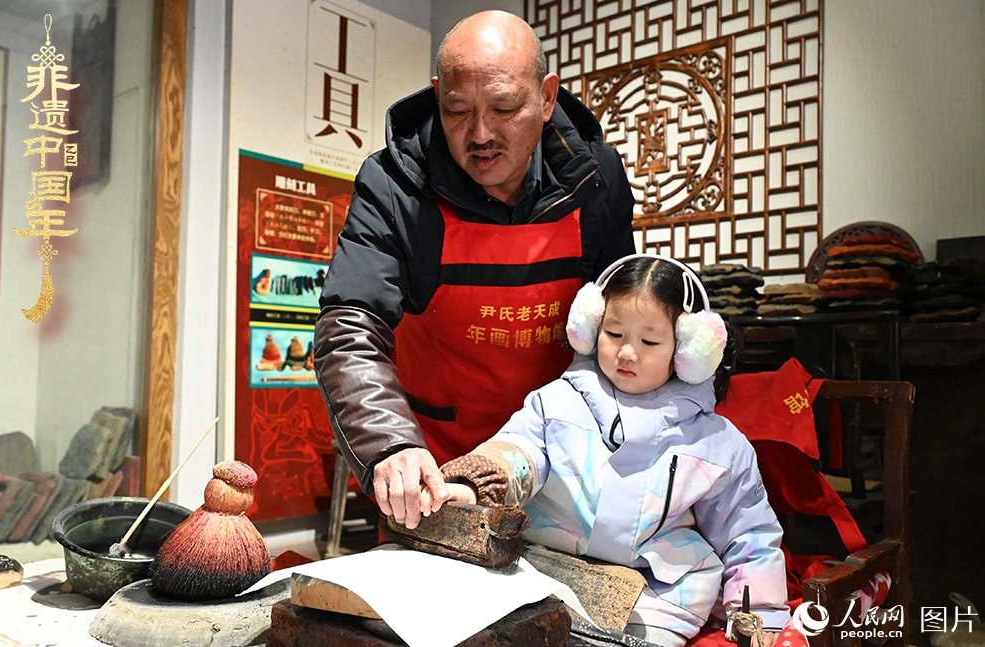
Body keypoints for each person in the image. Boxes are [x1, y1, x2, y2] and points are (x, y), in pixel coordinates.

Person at [314, 10, 636, 529]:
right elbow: (349, 323)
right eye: (457, 110)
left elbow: (623, 318)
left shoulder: (596, 181)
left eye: (505, 107)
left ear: (547, 96)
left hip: (557, 460)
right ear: (438, 95)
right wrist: (389, 444)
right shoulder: (396, 184)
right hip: (435, 475)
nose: (481, 133)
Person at [427, 254, 791, 647]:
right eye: (614, 333)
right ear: (590, 328)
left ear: (687, 352)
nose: (627, 353)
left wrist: (760, 613)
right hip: (541, 574)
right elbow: (519, 450)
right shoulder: (556, 403)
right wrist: (474, 483)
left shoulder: (718, 444)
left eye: (649, 341)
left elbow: (747, 529)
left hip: (657, 599)